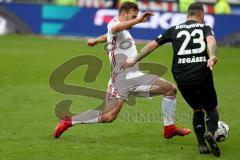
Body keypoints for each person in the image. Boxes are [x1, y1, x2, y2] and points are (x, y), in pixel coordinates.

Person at [54, 2, 191, 140]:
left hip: (136, 76)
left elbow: (108, 34)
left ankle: (169, 128)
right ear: (124, 14)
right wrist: (138, 20)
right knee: (108, 116)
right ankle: (69, 121)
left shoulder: (122, 30)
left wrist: (96, 40)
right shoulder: (114, 23)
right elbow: (113, 28)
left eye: (136, 17)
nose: (134, 19)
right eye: (132, 16)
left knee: (170, 89)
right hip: (121, 79)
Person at [122, 2, 221, 157]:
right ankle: (211, 132)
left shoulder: (174, 29)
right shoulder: (204, 27)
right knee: (212, 109)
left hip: (182, 76)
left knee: (196, 108)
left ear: (188, 15)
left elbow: (151, 46)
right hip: (201, 73)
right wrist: (213, 55)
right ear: (201, 15)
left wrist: (134, 59)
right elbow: (211, 41)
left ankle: (201, 143)